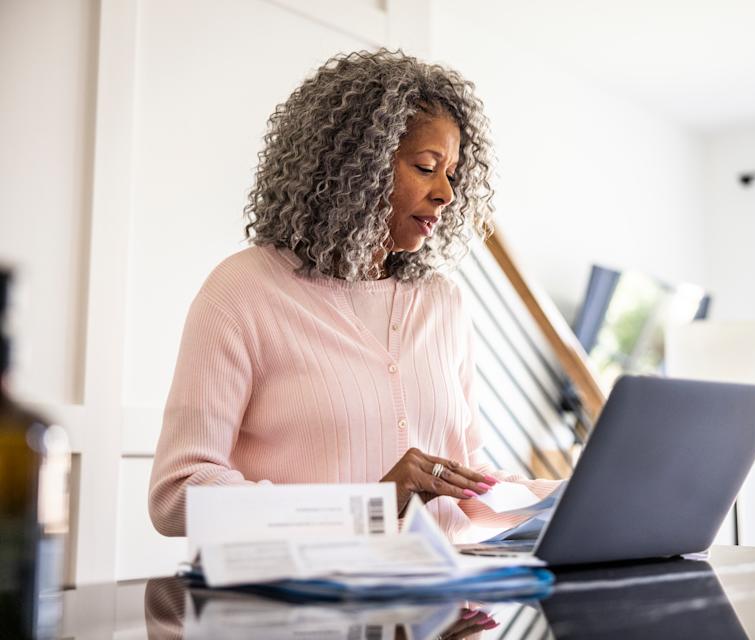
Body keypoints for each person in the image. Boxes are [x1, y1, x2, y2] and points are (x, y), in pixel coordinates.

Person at [148, 49, 560, 541]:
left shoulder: (442, 302)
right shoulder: (243, 290)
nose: (446, 195)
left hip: (443, 604)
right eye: (426, 167)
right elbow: (177, 496)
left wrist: (577, 496)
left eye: (452, 174)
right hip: (307, 609)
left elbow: (468, 477)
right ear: (357, 165)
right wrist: (370, 505)